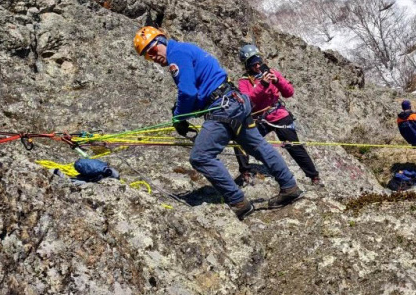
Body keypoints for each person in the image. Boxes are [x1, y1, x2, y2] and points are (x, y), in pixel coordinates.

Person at [133, 26, 303, 220]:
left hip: (222, 108)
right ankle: (289, 186)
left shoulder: (176, 55)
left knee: (201, 156)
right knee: (258, 146)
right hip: (235, 101)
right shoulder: (186, 49)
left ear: (162, 40)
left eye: (153, 50)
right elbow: (199, 91)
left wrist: (179, 117)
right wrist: (182, 111)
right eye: (148, 56)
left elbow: (188, 92)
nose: (153, 57)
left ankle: (238, 202)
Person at [233, 44, 321, 186]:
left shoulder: (272, 73)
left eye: (258, 59)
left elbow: (289, 93)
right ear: (247, 65)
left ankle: (314, 176)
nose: (257, 64)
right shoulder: (244, 81)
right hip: (259, 118)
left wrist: (278, 81)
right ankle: (245, 172)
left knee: (294, 146)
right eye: (252, 62)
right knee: (240, 139)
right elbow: (248, 100)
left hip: (279, 115)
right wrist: (263, 85)